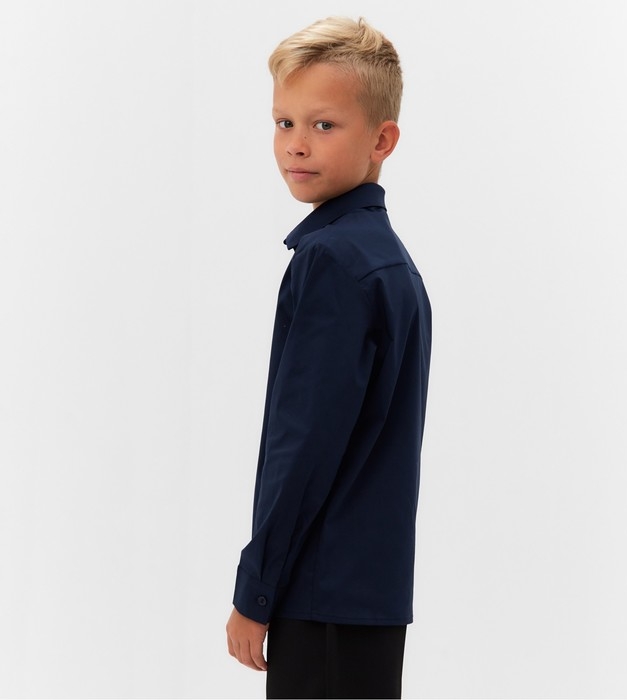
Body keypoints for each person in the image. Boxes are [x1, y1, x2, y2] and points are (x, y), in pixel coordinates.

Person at [225, 15, 432, 699]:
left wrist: (256, 589)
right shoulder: (384, 260)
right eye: (284, 123)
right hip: (366, 593)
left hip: (321, 593)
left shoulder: (334, 262)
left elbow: (304, 444)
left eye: (323, 125)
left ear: (382, 140)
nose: (296, 144)